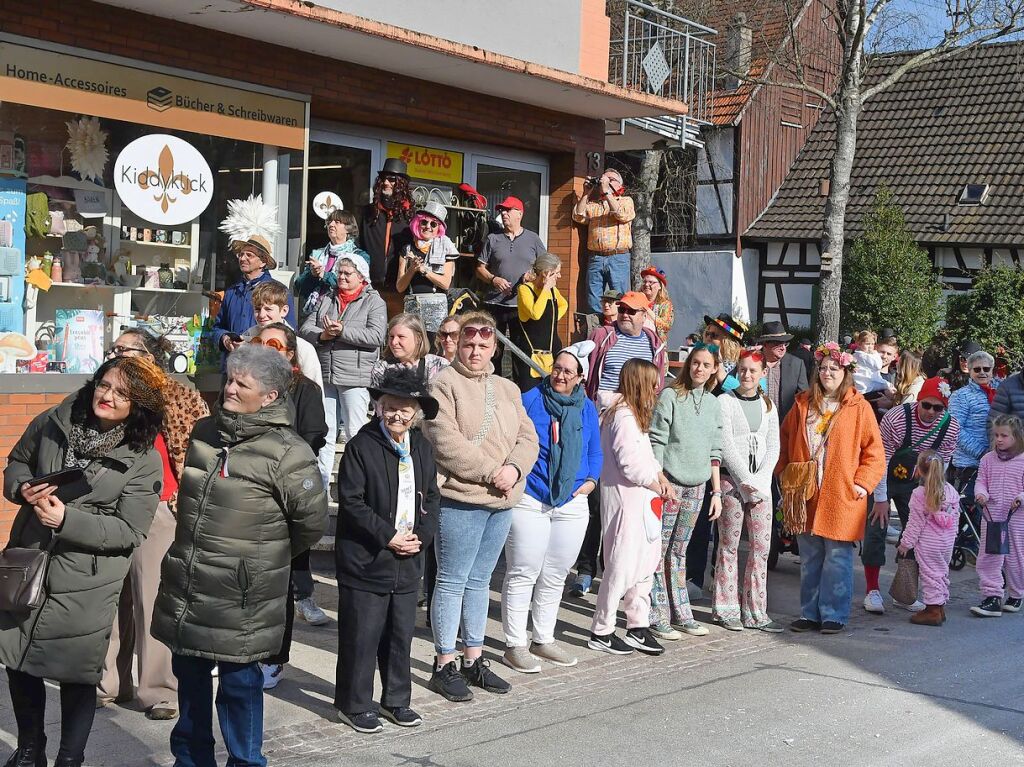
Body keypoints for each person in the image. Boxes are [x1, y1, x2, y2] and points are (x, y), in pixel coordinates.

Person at [152, 345, 327, 767]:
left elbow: (310, 524)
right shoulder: (205, 432)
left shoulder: (289, 452)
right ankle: (190, 760)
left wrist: (260, 559)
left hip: (242, 593)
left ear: (269, 396)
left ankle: (246, 762)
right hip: (192, 582)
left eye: (241, 384)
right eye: (229, 379)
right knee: (190, 681)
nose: (229, 388)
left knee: (238, 686)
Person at [1, 357, 166, 767]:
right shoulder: (56, 420)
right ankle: (29, 749)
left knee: (77, 674)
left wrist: (67, 520)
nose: (107, 396)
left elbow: (130, 530)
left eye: (122, 393)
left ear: (139, 406)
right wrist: (22, 487)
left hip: (88, 579)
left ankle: (69, 759)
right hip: (30, 560)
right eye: (104, 385)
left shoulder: (143, 458)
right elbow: (17, 460)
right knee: (18, 660)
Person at [423, 311, 539, 701]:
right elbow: (446, 442)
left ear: (493, 346)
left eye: (483, 344)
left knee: (479, 581)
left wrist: (515, 468)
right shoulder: (443, 385)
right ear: (457, 342)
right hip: (462, 498)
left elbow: (528, 437)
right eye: (468, 343)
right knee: (452, 580)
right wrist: (494, 472)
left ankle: (473, 658)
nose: (475, 350)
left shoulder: (508, 388)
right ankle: (444, 662)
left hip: (503, 499)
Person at [97, 331, 209, 722]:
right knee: (109, 599)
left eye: (124, 349)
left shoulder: (177, 395)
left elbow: (204, 451)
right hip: (108, 506)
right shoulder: (103, 394)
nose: (117, 355)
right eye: (114, 349)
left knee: (151, 601)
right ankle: (109, 682)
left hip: (159, 507)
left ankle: (159, 690)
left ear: (148, 355)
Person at [334, 367, 440, 733]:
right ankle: (354, 703)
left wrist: (421, 538)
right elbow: (350, 500)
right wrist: (388, 536)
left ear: (416, 413)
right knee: (361, 636)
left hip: (408, 560)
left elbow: (433, 498)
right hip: (367, 559)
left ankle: (396, 700)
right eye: (390, 407)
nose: (397, 415)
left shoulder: (422, 448)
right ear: (378, 407)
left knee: (399, 636)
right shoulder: (361, 446)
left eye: (405, 409)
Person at [501, 342, 602, 673]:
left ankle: (543, 638)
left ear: (580, 377)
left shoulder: (586, 408)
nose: (559, 375)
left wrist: (589, 482)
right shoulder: (530, 399)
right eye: (556, 368)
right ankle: (515, 644)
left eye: (567, 371)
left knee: (556, 572)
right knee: (523, 570)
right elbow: (511, 442)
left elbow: (595, 452)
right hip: (531, 496)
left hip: (572, 500)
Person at [778, 342, 884, 634]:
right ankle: (809, 613)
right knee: (810, 557)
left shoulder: (859, 408)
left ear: (845, 373)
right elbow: (784, 442)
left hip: (841, 495)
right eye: (823, 368)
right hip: (806, 494)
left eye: (833, 369)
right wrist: (783, 475)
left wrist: (862, 483)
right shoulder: (802, 404)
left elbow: (874, 452)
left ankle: (834, 614)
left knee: (837, 557)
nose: (827, 373)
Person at [252, 322, 330, 687]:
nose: (264, 349)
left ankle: (273, 658)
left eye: (272, 344)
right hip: (247, 491)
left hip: (284, 492)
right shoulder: (244, 385)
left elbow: (312, 437)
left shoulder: (306, 391)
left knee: (279, 583)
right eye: (257, 342)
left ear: (288, 353)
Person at [588, 359, 674, 656]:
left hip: (645, 501)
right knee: (621, 565)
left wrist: (660, 477)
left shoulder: (637, 416)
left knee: (644, 565)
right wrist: (656, 483)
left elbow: (648, 457)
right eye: (652, 383)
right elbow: (630, 464)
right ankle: (602, 629)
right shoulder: (621, 416)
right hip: (626, 501)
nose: (656, 388)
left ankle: (637, 624)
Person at [862, 377, 959, 616]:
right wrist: (882, 499)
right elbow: (880, 460)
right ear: (918, 401)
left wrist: (931, 494)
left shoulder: (951, 427)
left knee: (920, 534)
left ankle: (905, 591)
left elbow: (942, 463)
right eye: (926, 405)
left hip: (917, 483)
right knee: (876, 527)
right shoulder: (896, 418)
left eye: (938, 408)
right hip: (885, 475)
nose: (931, 412)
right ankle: (872, 589)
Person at [647, 344, 724, 638]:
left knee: (680, 551)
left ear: (715, 368)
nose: (699, 369)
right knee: (659, 549)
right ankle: (657, 613)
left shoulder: (714, 403)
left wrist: (716, 492)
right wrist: (660, 477)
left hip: (698, 485)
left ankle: (681, 611)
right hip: (670, 484)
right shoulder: (670, 395)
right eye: (695, 363)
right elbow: (657, 440)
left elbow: (715, 450)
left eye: (706, 364)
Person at [300, 251, 387, 487]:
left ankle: (357, 485)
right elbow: (305, 328)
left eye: (348, 273)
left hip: (355, 377)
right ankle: (322, 487)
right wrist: (323, 335)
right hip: (326, 373)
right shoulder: (327, 298)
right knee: (324, 433)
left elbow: (377, 336)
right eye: (339, 272)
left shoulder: (374, 301)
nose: (342, 277)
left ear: (362, 278)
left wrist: (342, 331)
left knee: (355, 432)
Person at [714, 349, 782, 632]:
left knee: (760, 549)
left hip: (761, 486)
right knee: (729, 545)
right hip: (734, 482)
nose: (747, 375)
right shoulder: (725, 402)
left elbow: (773, 445)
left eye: (753, 371)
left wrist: (762, 480)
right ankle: (726, 607)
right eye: (742, 370)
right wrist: (744, 480)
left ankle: (755, 609)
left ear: (762, 373)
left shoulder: (768, 406)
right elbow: (726, 444)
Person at [896, 450, 961, 626]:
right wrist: (952, 537)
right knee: (941, 573)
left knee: (929, 575)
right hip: (946, 542)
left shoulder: (919, 494)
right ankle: (940, 607)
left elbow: (914, 524)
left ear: (919, 470)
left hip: (928, 543)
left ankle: (932, 610)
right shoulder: (951, 491)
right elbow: (956, 517)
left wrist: (905, 544)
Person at [970, 414, 1024, 618]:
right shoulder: (987, 459)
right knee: (989, 555)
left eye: (1004, 435)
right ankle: (991, 596)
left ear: (1016, 436)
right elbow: (981, 480)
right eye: (997, 435)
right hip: (991, 514)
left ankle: (1016, 593)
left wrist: (1020, 497)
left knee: (1016, 556)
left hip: (1017, 516)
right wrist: (981, 493)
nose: (999, 439)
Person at [476, 196, 546, 349]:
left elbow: (545, 268)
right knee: (493, 351)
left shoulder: (533, 239)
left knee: (521, 352)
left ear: (519, 214)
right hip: (494, 304)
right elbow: (480, 269)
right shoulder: (493, 238)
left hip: (521, 305)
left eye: (508, 210)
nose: (503, 213)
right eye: (502, 210)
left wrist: (532, 277)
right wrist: (493, 279)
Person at [211, 234, 295, 361]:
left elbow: (290, 332)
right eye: (241, 254)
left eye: (249, 255)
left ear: (263, 261)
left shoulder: (279, 291)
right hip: (233, 366)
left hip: (264, 367)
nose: (242, 258)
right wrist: (225, 338)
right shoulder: (232, 292)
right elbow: (218, 327)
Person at [948, 349, 1000, 556]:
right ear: (969, 370)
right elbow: (955, 430)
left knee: (997, 505)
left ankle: (995, 547)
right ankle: (968, 540)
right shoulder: (960, 396)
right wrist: (982, 453)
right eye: (977, 369)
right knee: (973, 504)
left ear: (992, 370)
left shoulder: (1001, 392)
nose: (982, 372)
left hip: (999, 460)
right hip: (971, 461)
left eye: (986, 369)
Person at [586, 291, 667, 411]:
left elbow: (657, 384)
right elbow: (584, 373)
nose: (625, 314)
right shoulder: (601, 336)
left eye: (631, 311)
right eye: (622, 310)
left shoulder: (654, 344)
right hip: (603, 409)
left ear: (644, 316)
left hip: (639, 411)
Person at [572, 169, 636, 313]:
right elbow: (578, 216)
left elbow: (621, 215)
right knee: (593, 297)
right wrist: (586, 193)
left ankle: (618, 330)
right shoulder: (595, 205)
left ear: (619, 184)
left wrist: (607, 192)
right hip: (596, 257)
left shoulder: (626, 201)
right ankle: (597, 331)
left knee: (619, 297)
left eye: (611, 179)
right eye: (603, 179)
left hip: (618, 256)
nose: (605, 181)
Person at [241, 281, 322, 386]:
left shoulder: (302, 348)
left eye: (268, 309)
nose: (261, 315)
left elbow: (314, 392)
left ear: (284, 310)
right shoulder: (247, 341)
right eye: (257, 309)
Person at [396, 201, 459, 334]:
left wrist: (424, 270)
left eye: (433, 224)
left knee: (433, 349)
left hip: (436, 305)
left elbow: (446, 283)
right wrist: (412, 269)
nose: (428, 227)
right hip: (412, 304)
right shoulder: (407, 249)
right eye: (424, 222)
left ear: (438, 228)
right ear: (418, 223)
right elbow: (400, 287)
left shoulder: (446, 248)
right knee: (412, 350)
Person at [294, 210, 368, 321]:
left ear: (349, 229)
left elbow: (353, 286)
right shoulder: (317, 254)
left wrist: (323, 274)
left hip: (343, 314)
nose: (331, 225)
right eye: (329, 222)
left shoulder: (359, 256)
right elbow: (299, 287)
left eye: (337, 222)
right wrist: (313, 274)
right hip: (313, 315)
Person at [360, 158, 413, 310]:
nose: (386, 183)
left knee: (395, 330)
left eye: (392, 179)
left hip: (397, 287)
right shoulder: (368, 213)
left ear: (401, 184)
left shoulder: (410, 217)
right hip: (369, 285)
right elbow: (360, 243)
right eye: (384, 179)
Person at [512, 252, 568, 393]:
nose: (559, 277)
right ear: (546, 274)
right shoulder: (525, 290)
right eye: (556, 273)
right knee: (530, 396)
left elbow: (564, 305)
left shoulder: (553, 291)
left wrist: (552, 319)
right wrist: (545, 289)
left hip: (551, 353)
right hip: (530, 356)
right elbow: (535, 314)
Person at [371, 313, 450, 388]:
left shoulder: (439, 365)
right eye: (391, 337)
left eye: (401, 336)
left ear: (418, 338)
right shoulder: (381, 368)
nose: (394, 342)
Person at [756, 321, 809, 422]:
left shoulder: (796, 364)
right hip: (758, 422)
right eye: (778, 343)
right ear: (765, 344)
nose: (783, 348)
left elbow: (804, 398)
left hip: (786, 426)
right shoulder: (753, 362)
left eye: (785, 343)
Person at [702, 313, 746, 394]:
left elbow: (746, 393)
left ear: (728, 342)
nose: (708, 338)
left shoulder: (741, 366)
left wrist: (722, 376)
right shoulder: (698, 361)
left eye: (714, 335)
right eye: (707, 334)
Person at [639, 267, 673, 346]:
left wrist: (646, 309)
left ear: (659, 286)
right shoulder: (635, 300)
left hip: (656, 345)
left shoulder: (665, 304)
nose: (646, 284)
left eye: (651, 282)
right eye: (644, 282)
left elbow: (666, 326)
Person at [852, 330, 891, 395]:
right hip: (866, 386)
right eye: (867, 344)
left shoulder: (857, 354)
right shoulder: (862, 355)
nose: (870, 347)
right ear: (859, 344)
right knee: (889, 386)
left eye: (872, 344)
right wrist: (875, 353)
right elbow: (878, 366)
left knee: (888, 385)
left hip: (868, 383)